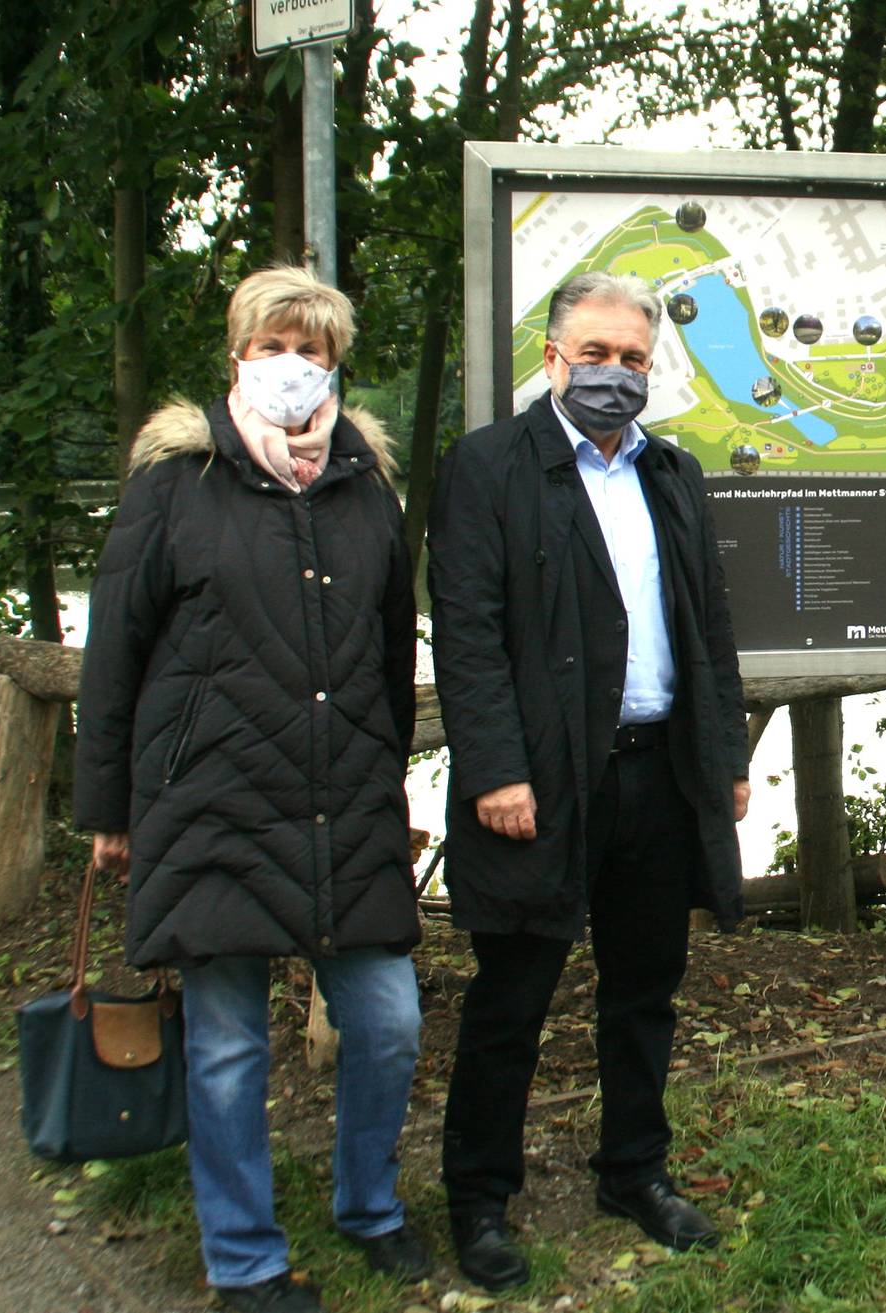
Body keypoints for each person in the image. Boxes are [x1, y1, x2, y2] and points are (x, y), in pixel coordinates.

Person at [74, 266, 425, 1313]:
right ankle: (244, 1257)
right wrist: (109, 808)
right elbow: (116, 648)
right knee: (227, 1046)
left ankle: (370, 1205)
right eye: (273, 343)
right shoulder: (174, 483)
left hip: (342, 799)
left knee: (391, 1019)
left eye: (311, 348)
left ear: (335, 364)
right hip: (208, 801)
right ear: (237, 356)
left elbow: (387, 639)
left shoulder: (366, 484)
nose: (291, 364)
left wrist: (389, 770)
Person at [428, 271, 750, 1291]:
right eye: (597, 354)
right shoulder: (488, 468)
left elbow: (710, 623)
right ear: (554, 357)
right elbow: (468, 632)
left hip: (658, 773)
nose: (615, 375)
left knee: (645, 989)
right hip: (538, 785)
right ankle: (480, 1198)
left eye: (634, 359)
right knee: (511, 997)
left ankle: (633, 1169)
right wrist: (494, 769)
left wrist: (725, 755)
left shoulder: (673, 472)